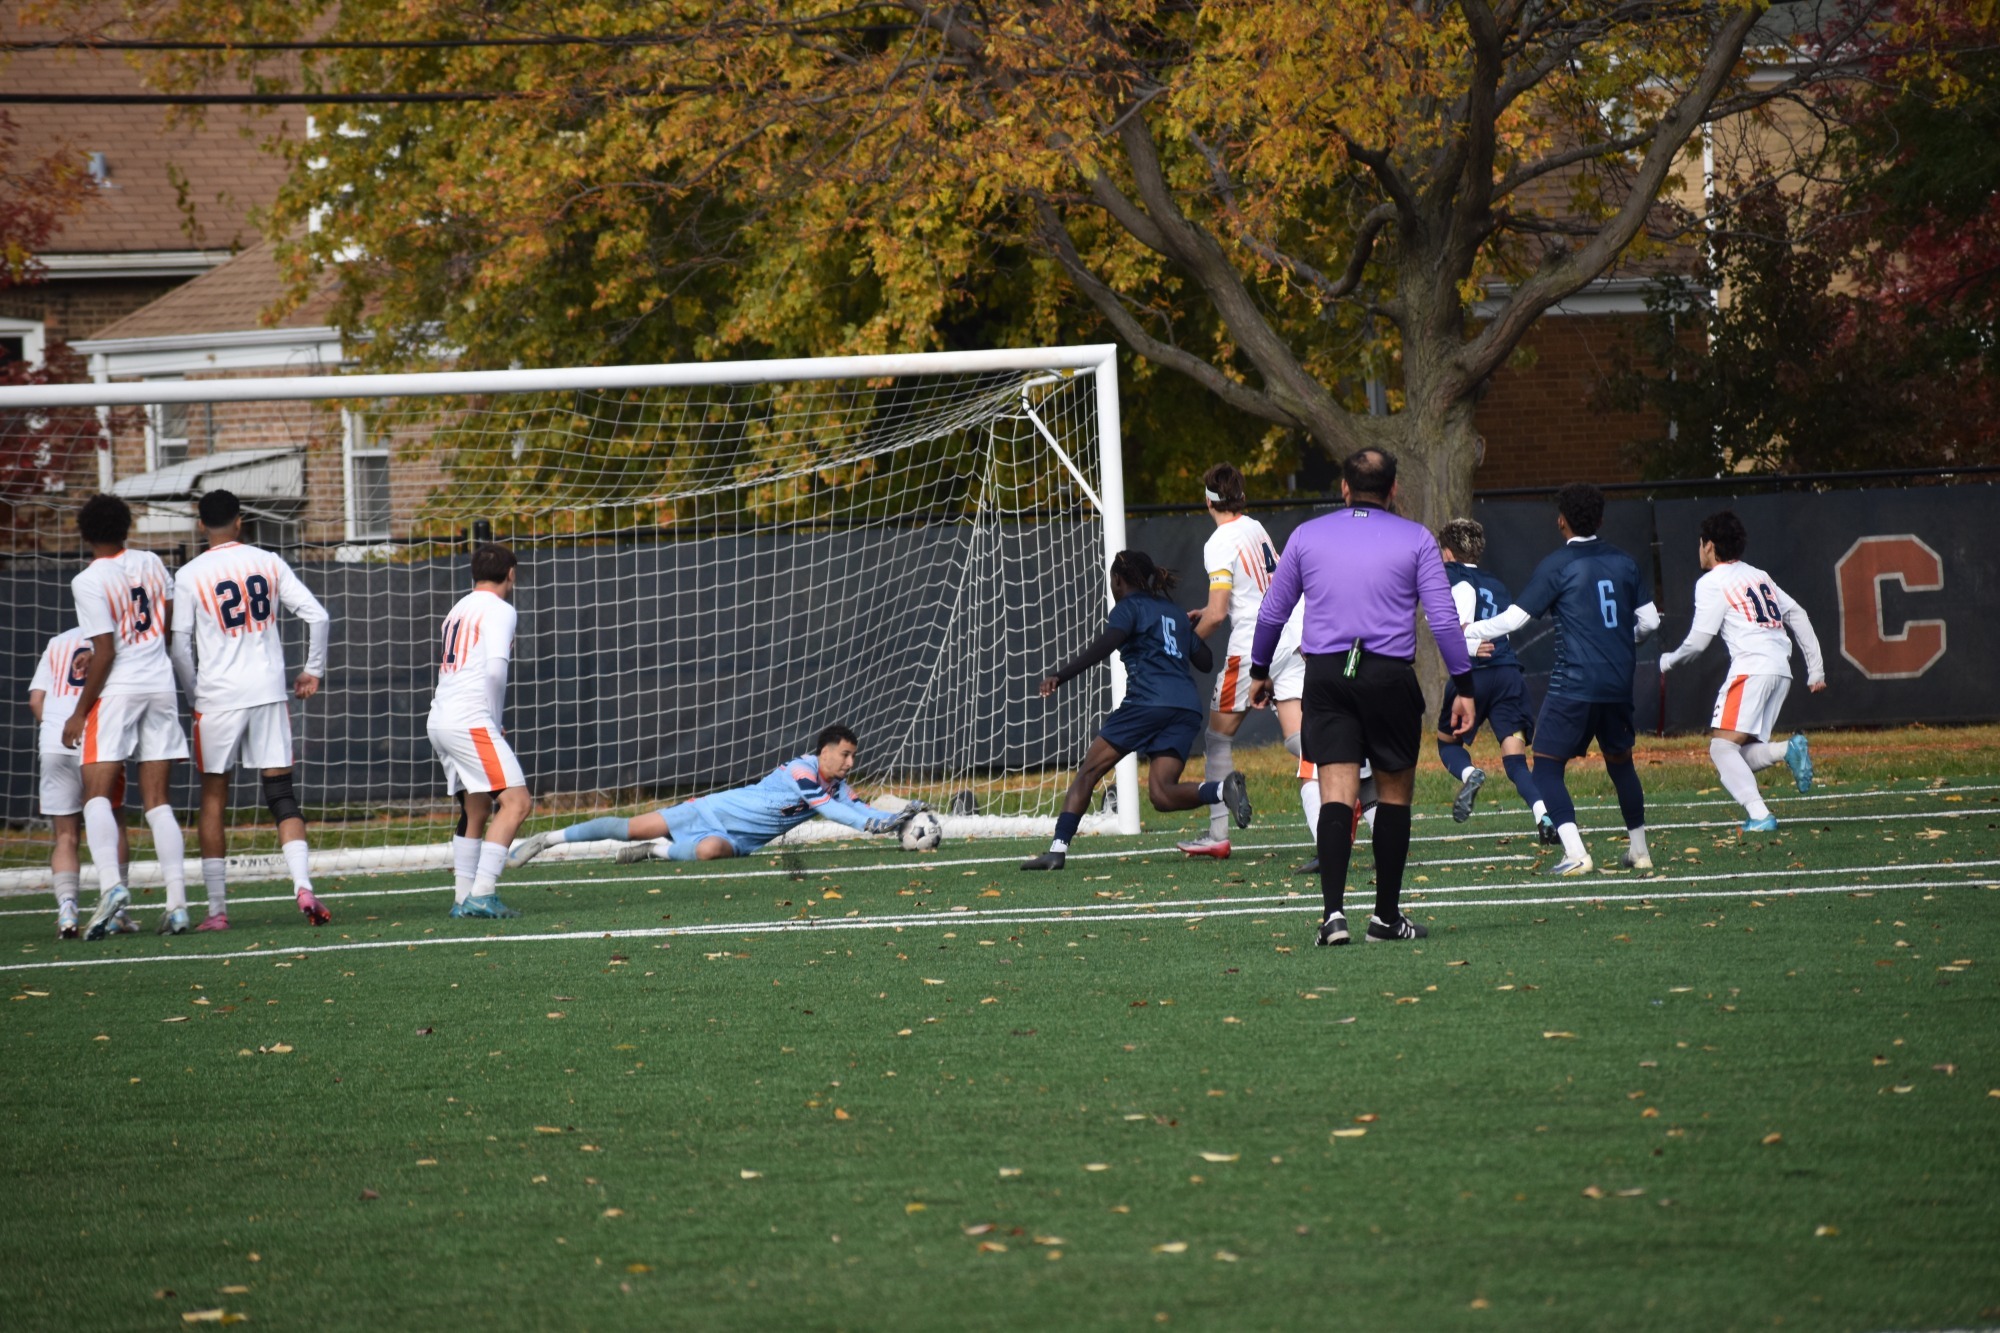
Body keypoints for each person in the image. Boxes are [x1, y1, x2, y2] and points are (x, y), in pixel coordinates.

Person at [1249, 449, 1475, 946]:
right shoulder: (1416, 538)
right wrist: (1465, 686)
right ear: (1393, 490)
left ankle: (1333, 917)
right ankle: (1385, 919)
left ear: (1344, 487)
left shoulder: (1308, 535)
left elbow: (1271, 614)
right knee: (1393, 797)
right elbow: (1442, 622)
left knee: (1336, 792)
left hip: (1327, 676)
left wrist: (1260, 671)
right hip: (1390, 677)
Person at [1465, 483, 1661, 877]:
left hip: (1575, 682)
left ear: (1561, 521)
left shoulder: (1559, 564)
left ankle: (1576, 852)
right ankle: (1639, 851)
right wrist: (1623, 639)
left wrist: (1470, 630)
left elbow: (1515, 620)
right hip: (1619, 681)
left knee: (1547, 767)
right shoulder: (1624, 561)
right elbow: (1651, 622)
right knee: (1621, 762)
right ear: (1601, 519)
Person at [1022, 549, 1250, 871]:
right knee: (1161, 794)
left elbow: (1107, 644)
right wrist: (1186, 630)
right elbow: (1205, 661)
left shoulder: (1129, 607)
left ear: (1118, 580)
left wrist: (1060, 676)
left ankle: (1057, 851)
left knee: (1089, 772)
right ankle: (1221, 789)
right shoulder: (1172, 611)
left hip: (1146, 703)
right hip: (1185, 708)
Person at [169, 489, 333, 931]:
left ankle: (218, 911)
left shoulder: (188, 575)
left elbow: (180, 646)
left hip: (217, 698)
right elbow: (318, 616)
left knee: (213, 798)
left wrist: (193, 694)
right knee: (281, 795)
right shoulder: (269, 561)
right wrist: (311, 671)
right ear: (240, 521)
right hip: (266, 692)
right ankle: (303, 887)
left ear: (201, 525)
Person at [510, 723, 922, 866]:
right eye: (845, 755)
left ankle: (657, 852)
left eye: (853, 757)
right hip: (708, 810)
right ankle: (546, 840)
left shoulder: (838, 786)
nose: (850, 763)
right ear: (825, 751)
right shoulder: (802, 770)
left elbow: (856, 806)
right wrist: (873, 824)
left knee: (709, 853)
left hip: (738, 839)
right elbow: (834, 810)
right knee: (627, 827)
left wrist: (895, 819)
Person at [61, 493, 191, 940]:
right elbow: (164, 620)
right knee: (157, 800)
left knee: (96, 794)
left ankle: (112, 887)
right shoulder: (153, 562)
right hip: (160, 684)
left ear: (84, 534)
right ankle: (177, 906)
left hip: (118, 690)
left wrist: (79, 713)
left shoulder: (87, 580)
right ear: (126, 528)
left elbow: (109, 650)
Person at [1657, 509, 1824, 831]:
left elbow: (1697, 643)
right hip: (1780, 671)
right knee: (1739, 752)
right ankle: (1786, 749)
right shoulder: (1758, 574)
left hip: (1752, 668)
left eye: (1700, 543)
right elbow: (1798, 614)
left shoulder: (1711, 582)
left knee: (1721, 749)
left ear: (1708, 545)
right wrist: (1815, 669)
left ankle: (1760, 815)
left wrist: (1668, 661)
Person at [1179, 463, 1313, 861]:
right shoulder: (1254, 527)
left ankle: (1217, 834)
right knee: (1298, 739)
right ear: (1242, 497)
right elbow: (1252, 590)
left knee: (1218, 738)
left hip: (1253, 647)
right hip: (1289, 637)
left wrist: (1180, 644)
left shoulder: (1219, 541)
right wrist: (1210, 609)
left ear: (1208, 501)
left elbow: (1219, 614)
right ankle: (1355, 771)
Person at [427, 542, 531, 918]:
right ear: (512, 574)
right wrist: (493, 718)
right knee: (517, 802)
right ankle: (483, 893)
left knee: (477, 807)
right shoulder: (501, 610)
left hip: (440, 718)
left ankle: (461, 899)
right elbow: (493, 671)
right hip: (469, 718)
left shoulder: (457, 609)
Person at [1435, 518, 1555, 841]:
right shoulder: (1496, 584)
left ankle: (1470, 773)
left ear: (1447, 553)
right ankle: (1543, 816)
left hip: (1473, 674)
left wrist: (1469, 645)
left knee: (1446, 744)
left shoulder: (1453, 578)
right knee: (1515, 760)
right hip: (1507, 674)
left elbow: (1455, 628)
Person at [27, 626, 134, 938]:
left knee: (65, 835)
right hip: (97, 740)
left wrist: (54, 731)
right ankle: (117, 912)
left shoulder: (57, 641)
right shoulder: (115, 641)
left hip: (55, 740)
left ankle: (67, 911)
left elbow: (36, 701)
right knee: (115, 819)